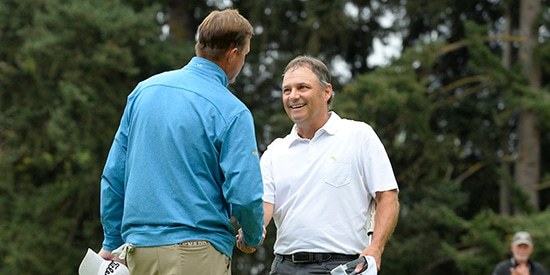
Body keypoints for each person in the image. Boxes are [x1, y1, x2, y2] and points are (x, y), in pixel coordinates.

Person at [97, 9, 264, 275]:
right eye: (245, 55)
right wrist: (253, 236)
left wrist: (111, 241)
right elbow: (245, 194)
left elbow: (114, 176)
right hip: (197, 255)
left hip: (137, 252)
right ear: (233, 55)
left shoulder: (144, 91)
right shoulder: (233, 111)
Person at [239, 56, 400, 274]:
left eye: (302, 87)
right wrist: (253, 232)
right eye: (287, 90)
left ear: (327, 92)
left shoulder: (358, 135)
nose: (293, 96)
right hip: (284, 267)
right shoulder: (276, 150)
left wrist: (376, 248)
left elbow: (387, 197)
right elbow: (265, 206)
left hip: (343, 267)